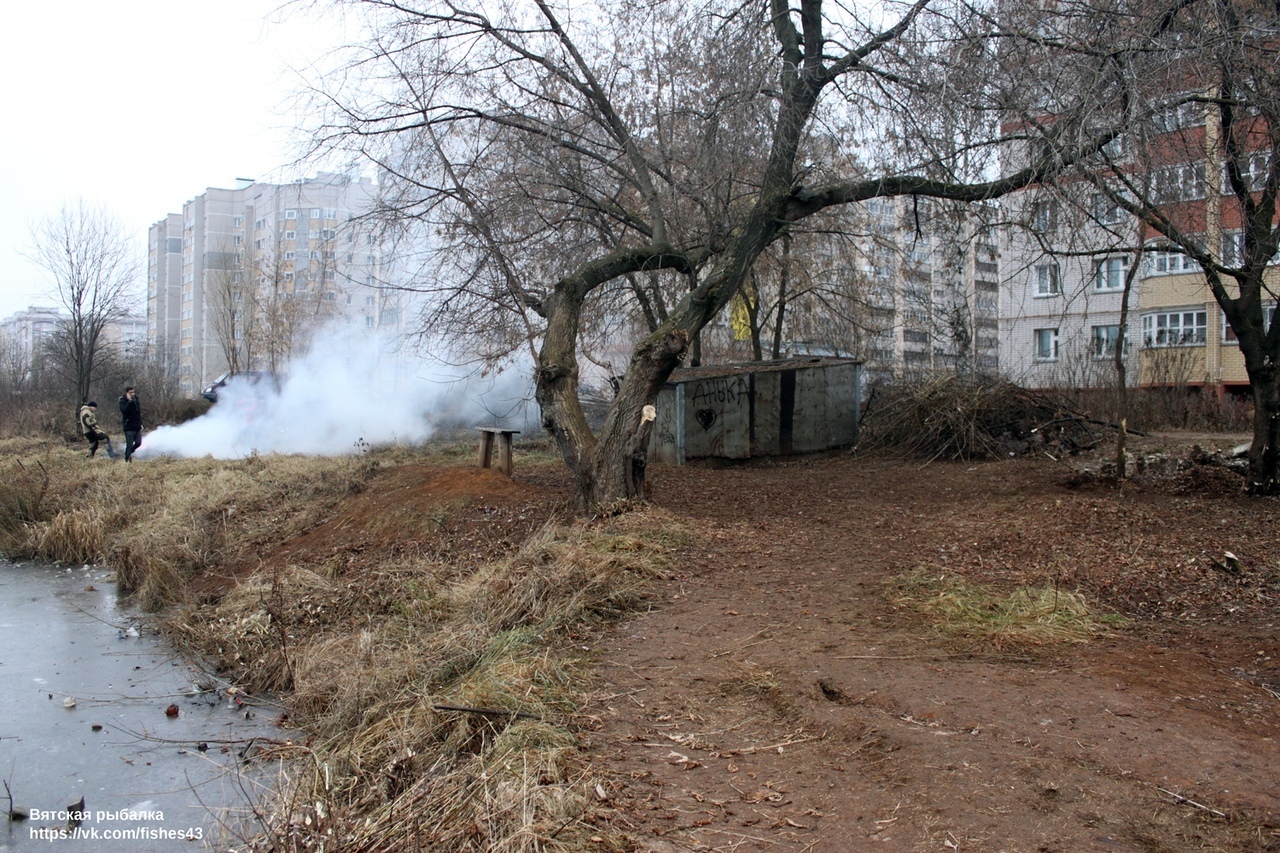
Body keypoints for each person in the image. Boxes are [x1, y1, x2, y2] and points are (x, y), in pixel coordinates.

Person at [119, 386, 143, 462]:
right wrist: (129, 402)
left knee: (138, 443)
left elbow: (138, 413)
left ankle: (128, 453)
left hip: (137, 426)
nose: (132, 394)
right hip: (128, 427)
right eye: (130, 392)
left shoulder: (136, 399)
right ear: (127, 393)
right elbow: (124, 411)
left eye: (133, 392)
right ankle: (127, 460)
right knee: (129, 445)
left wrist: (141, 423)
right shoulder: (122, 400)